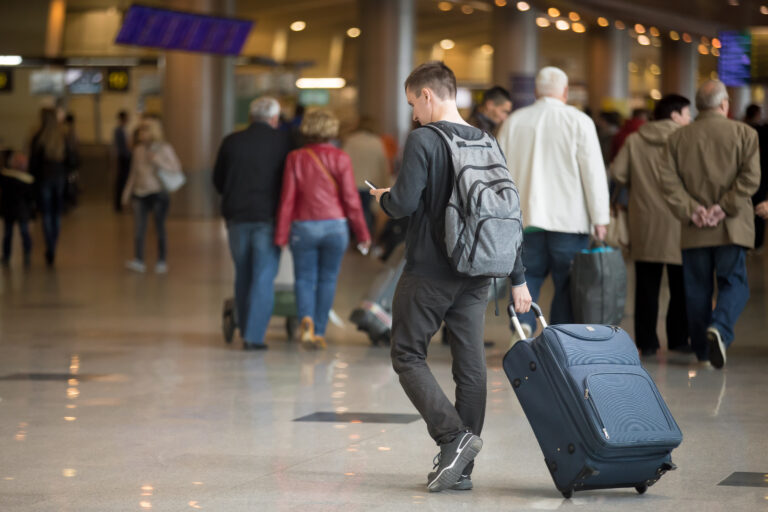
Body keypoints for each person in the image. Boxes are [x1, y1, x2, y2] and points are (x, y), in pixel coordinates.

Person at [369, 61, 531, 492]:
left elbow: (403, 205)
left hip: (430, 271)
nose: (413, 115)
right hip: (480, 271)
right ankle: (463, 467)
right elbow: (506, 211)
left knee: (407, 354)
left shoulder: (424, 139)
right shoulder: (488, 141)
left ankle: (452, 438)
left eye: (412, 104)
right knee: (470, 364)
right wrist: (518, 277)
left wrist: (384, 198)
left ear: (427, 95)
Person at [497, 66, 610, 338]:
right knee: (567, 284)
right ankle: (559, 337)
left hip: (524, 221)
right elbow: (593, 173)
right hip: (569, 223)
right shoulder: (579, 121)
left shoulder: (514, 121)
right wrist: (600, 219)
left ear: (536, 91)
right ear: (566, 92)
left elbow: (497, 172)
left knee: (527, 277)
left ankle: (523, 324)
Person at [657, 80, 760, 369]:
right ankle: (721, 328)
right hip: (732, 225)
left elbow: (667, 181)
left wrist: (694, 210)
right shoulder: (745, 133)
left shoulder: (677, 138)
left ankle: (702, 351)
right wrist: (723, 207)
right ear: (725, 104)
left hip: (694, 227)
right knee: (734, 283)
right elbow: (750, 178)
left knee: (697, 289)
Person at [275, 110, 371, 350]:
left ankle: (305, 319)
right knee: (327, 279)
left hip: (304, 226)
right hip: (335, 227)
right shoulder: (340, 158)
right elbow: (351, 199)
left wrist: (281, 233)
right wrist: (363, 234)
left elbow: (287, 199)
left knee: (304, 279)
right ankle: (318, 330)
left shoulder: (295, 158)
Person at [610, 95, 692, 356]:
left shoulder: (635, 140)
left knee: (646, 285)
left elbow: (618, 173)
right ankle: (679, 339)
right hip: (681, 221)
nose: (689, 118)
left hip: (644, 220)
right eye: (687, 112)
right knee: (681, 286)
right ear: (676, 114)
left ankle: (647, 342)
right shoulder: (687, 139)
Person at [213, 97, 292, 350]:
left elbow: (218, 180)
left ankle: (246, 326)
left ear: (251, 117)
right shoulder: (284, 143)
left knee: (243, 273)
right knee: (263, 276)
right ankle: (253, 337)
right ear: (274, 119)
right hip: (268, 218)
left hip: (236, 218)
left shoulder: (231, 141)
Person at [121, 118, 181, 274]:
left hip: (158, 193)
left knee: (159, 228)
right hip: (139, 194)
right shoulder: (138, 150)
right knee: (139, 228)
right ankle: (139, 260)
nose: (142, 133)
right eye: (141, 130)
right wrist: (126, 193)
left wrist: (157, 160)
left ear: (153, 131)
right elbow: (133, 173)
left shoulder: (164, 148)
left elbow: (175, 167)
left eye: (145, 130)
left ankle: (162, 260)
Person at [28, 107, 76, 267]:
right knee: (56, 214)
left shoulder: (38, 138)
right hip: (60, 178)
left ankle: (49, 246)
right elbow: (72, 160)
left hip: (43, 179)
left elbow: (33, 164)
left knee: (47, 214)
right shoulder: (62, 137)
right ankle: (53, 245)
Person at [342, 116, 391, 232]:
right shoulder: (377, 142)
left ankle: (356, 239)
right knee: (367, 212)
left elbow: (343, 162)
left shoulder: (350, 140)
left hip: (353, 183)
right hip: (371, 183)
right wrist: (386, 183)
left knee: (353, 211)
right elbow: (383, 164)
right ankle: (366, 240)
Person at [0, 150, 34, 267]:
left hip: (16, 210)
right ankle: (10, 254)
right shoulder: (11, 177)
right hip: (16, 210)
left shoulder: (6, 177)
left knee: (17, 233)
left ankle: (22, 253)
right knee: (13, 233)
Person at [743, 104, 768, 250]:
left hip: (746, 175)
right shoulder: (763, 130)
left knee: (746, 207)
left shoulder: (741, 129)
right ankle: (757, 242)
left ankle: (747, 240)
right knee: (760, 209)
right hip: (762, 175)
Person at [113, 110, 132, 213]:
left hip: (126, 157)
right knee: (121, 180)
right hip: (123, 158)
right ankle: (118, 204)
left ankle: (122, 202)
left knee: (124, 180)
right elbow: (119, 147)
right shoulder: (118, 130)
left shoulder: (125, 129)